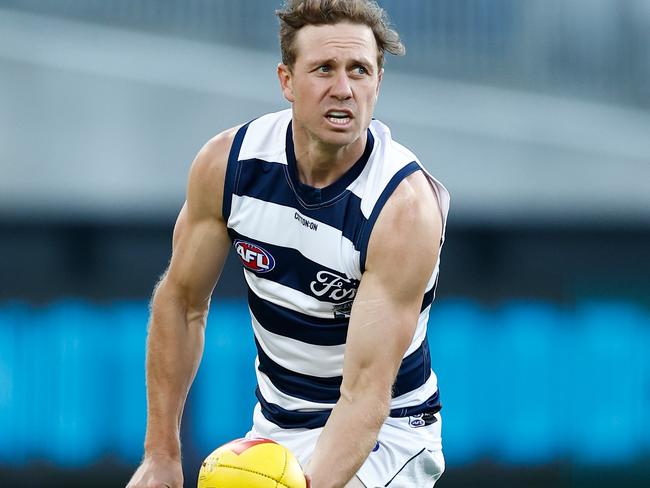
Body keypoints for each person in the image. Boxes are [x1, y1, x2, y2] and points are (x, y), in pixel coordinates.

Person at [126, 1, 449, 487]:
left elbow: (364, 395)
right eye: (323, 69)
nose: (343, 89)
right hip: (276, 430)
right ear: (286, 81)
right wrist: (161, 455)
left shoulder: (401, 208)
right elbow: (181, 302)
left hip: (387, 436)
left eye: (359, 70)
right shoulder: (229, 165)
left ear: (377, 83)